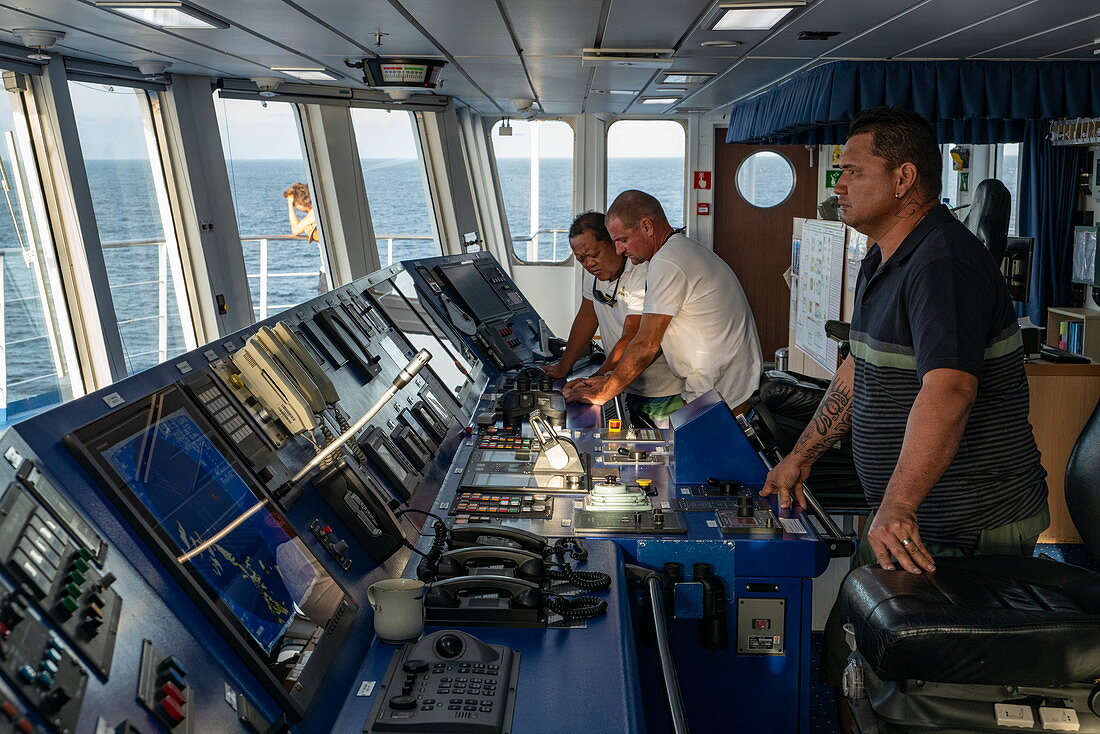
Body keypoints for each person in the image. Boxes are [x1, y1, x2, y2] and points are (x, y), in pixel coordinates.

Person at [757, 107, 1048, 733]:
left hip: (964, 522)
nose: (837, 184)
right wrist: (802, 454)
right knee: (851, 660)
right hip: (910, 516)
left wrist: (898, 505)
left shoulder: (943, 263)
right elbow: (855, 373)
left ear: (903, 178)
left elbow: (948, 390)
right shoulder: (883, 258)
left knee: (921, 692)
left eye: (851, 171)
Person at [564, 190, 762, 414]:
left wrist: (604, 391)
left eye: (623, 240)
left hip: (719, 389)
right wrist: (606, 379)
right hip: (718, 383)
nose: (619, 249)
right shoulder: (678, 251)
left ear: (647, 227)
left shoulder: (668, 262)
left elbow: (647, 343)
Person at [543, 212, 684, 426]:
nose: (589, 264)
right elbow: (587, 316)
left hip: (660, 389)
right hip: (621, 382)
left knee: (661, 452)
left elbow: (633, 334)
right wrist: (563, 366)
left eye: (595, 254)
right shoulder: (592, 272)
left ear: (613, 242)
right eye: (581, 259)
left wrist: (599, 378)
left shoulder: (642, 270)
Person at [284, 182, 326, 294]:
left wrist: (289, 204)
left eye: (295, 204)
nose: (295, 208)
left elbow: (296, 230)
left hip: (328, 271)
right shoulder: (320, 210)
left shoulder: (315, 212)